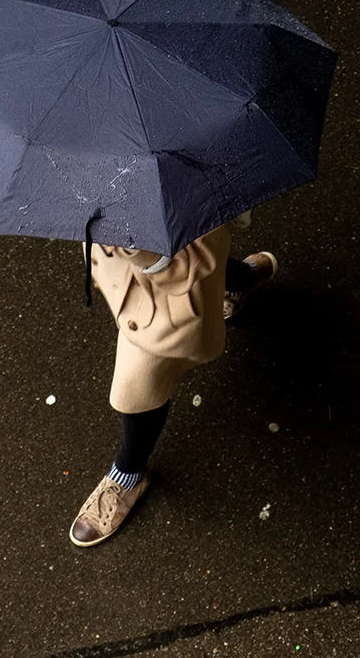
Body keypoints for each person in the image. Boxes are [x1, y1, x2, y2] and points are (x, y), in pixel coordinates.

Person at [71, 220, 278, 547]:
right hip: (130, 259)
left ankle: (129, 473)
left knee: (138, 384)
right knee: (207, 265)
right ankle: (243, 278)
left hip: (161, 294)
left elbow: (190, 260)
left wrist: (138, 250)